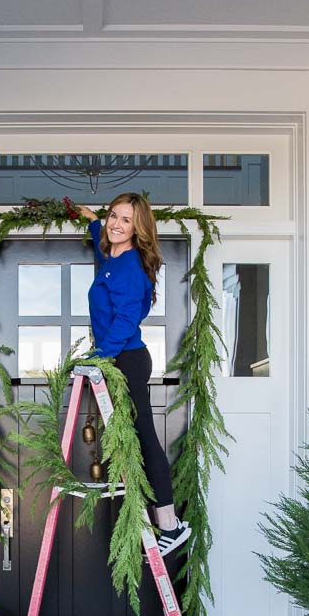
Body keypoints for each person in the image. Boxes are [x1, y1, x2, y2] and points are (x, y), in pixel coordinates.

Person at [75, 194, 191, 557]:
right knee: (135, 439)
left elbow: (126, 320)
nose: (116, 224)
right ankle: (168, 524)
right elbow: (101, 237)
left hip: (127, 359)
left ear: (137, 228)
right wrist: (92, 219)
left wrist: (100, 357)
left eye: (126, 220)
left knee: (144, 439)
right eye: (114, 216)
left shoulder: (129, 267)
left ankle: (170, 526)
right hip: (118, 358)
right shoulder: (111, 256)